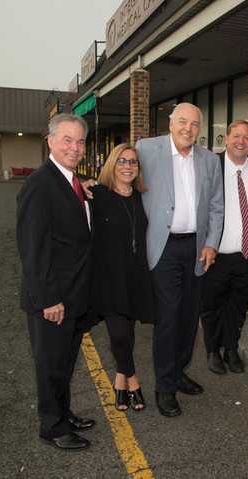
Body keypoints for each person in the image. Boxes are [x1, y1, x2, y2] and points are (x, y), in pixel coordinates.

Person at [136, 103, 224, 417]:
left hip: (196, 249)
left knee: (189, 317)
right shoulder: (147, 149)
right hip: (163, 248)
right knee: (169, 317)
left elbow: (216, 206)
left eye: (195, 124)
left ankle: (179, 370)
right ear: (171, 123)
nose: (188, 128)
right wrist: (91, 186)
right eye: (182, 121)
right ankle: (164, 386)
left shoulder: (210, 160)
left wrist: (212, 243)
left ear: (200, 129)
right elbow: (121, 173)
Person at [16, 113, 96, 450]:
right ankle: (53, 427)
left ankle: (63, 412)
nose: (75, 147)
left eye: (80, 141)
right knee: (50, 366)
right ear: (50, 140)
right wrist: (49, 299)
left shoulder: (71, 181)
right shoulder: (39, 184)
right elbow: (33, 249)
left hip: (73, 296)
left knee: (64, 363)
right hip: (53, 300)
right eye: (67, 139)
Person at [89, 144, 155, 412]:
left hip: (136, 277)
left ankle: (119, 379)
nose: (128, 166)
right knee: (118, 333)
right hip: (108, 278)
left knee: (127, 332)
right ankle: (133, 380)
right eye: (122, 161)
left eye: (133, 162)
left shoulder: (141, 197)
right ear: (112, 165)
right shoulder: (97, 195)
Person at [200, 120, 248, 375]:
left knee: (239, 306)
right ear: (225, 139)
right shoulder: (211, 167)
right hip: (218, 256)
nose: (241, 141)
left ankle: (231, 348)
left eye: (247, 137)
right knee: (212, 306)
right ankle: (212, 350)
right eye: (236, 136)